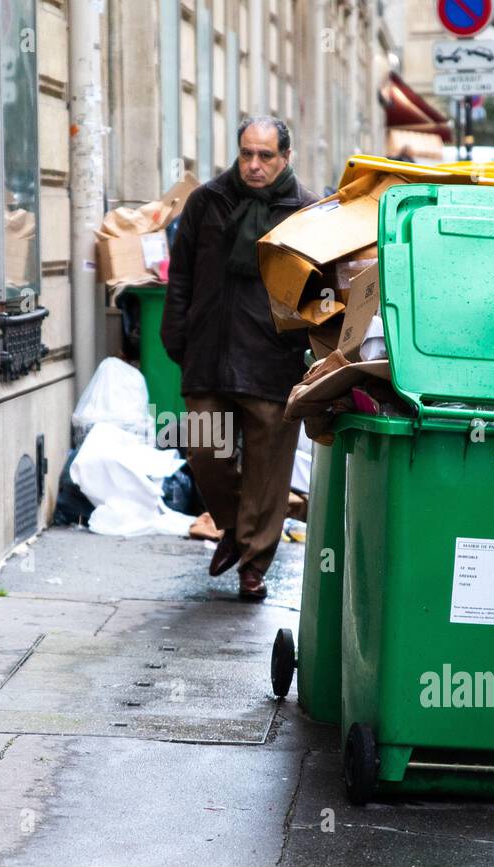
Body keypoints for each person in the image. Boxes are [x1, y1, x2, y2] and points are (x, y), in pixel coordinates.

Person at [161, 116, 320, 601]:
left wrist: (309, 352)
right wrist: (178, 337)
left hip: (274, 360)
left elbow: (323, 294)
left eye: (265, 156)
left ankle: (253, 564)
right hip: (208, 354)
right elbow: (181, 275)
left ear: (285, 158)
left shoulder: (308, 213)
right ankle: (231, 526)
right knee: (206, 451)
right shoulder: (207, 201)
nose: (253, 164)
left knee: (268, 472)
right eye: (246, 153)